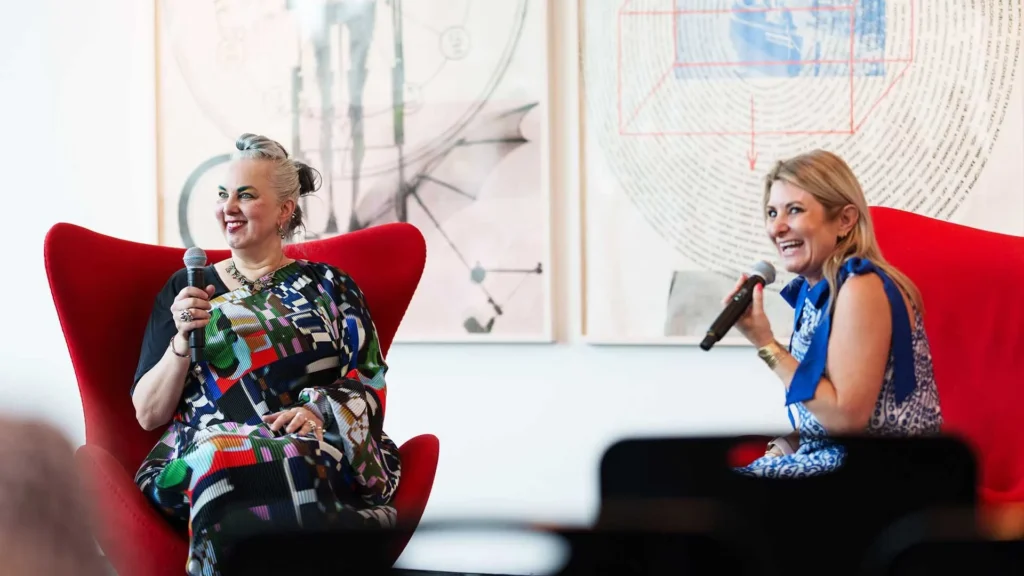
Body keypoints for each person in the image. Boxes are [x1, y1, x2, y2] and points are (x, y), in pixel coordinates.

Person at [131, 133, 401, 575]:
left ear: (284, 210)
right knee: (224, 461)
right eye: (222, 195)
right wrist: (182, 341)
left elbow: (367, 378)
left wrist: (319, 412)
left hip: (311, 443)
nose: (228, 208)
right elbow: (147, 413)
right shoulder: (186, 288)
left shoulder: (331, 287)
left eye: (246, 195)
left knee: (288, 463)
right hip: (202, 450)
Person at [730, 149, 942, 478]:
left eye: (794, 210)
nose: (778, 227)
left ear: (844, 220)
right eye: (772, 213)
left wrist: (766, 344)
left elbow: (846, 420)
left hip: (880, 477)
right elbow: (826, 416)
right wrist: (786, 446)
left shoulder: (861, 287)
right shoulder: (819, 292)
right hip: (834, 465)